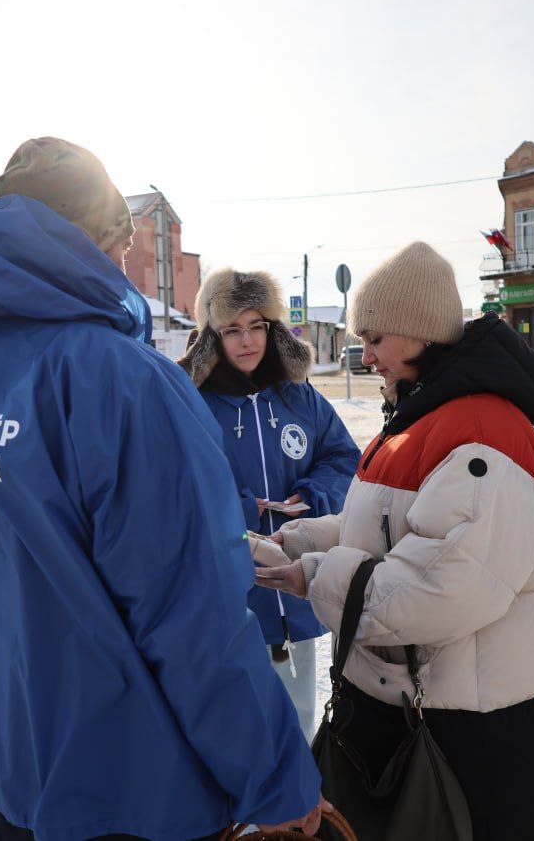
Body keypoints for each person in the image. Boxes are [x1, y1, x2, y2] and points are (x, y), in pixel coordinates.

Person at [0, 137, 323, 840]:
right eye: (122, 241)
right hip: (131, 784)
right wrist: (275, 777)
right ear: (92, 239)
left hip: (13, 763)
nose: (126, 261)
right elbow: (192, 613)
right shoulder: (123, 379)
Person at [256, 242, 534, 839]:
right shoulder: (424, 415)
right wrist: (297, 543)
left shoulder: (482, 433)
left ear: (419, 331)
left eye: (374, 338)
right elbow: (393, 529)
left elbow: (439, 587)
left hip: (467, 738)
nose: (363, 355)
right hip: (415, 715)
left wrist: (314, 576)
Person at [178, 268, 359, 739]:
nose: (247, 341)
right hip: (227, 598)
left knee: (296, 721)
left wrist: (315, 494)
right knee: (235, 727)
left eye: (256, 326)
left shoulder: (299, 398)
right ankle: (247, 815)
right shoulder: (193, 404)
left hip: (294, 593)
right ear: (212, 337)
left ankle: (294, 811)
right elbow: (177, 485)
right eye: (233, 329)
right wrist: (240, 510)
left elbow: (343, 457)